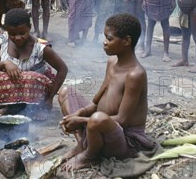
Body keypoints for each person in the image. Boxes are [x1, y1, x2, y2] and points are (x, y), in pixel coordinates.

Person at [58, 13, 155, 170]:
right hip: (98, 124)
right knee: (65, 92)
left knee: (97, 119)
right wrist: (78, 114)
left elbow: (122, 120)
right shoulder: (112, 63)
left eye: (109, 39)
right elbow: (96, 102)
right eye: (105, 37)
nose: (104, 42)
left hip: (124, 138)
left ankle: (89, 155)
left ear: (127, 41)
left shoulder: (135, 74)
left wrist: (82, 121)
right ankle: (83, 145)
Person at [0, 8, 68, 121]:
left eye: (22, 33)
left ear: (29, 28)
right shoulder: (2, 40)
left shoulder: (40, 47)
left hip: (37, 89)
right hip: (16, 86)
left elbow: (62, 69)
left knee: (31, 78)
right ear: (7, 31)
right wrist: (5, 63)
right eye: (12, 34)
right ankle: (11, 106)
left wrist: (50, 98)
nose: (18, 38)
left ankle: (38, 107)